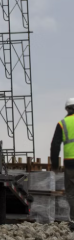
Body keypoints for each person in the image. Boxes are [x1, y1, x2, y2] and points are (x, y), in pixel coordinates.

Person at [50, 98, 74, 230]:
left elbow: (55, 145)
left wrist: (54, 164)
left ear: (67, 109)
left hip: (70, 163)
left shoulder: (62, 123)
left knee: (71, 192)